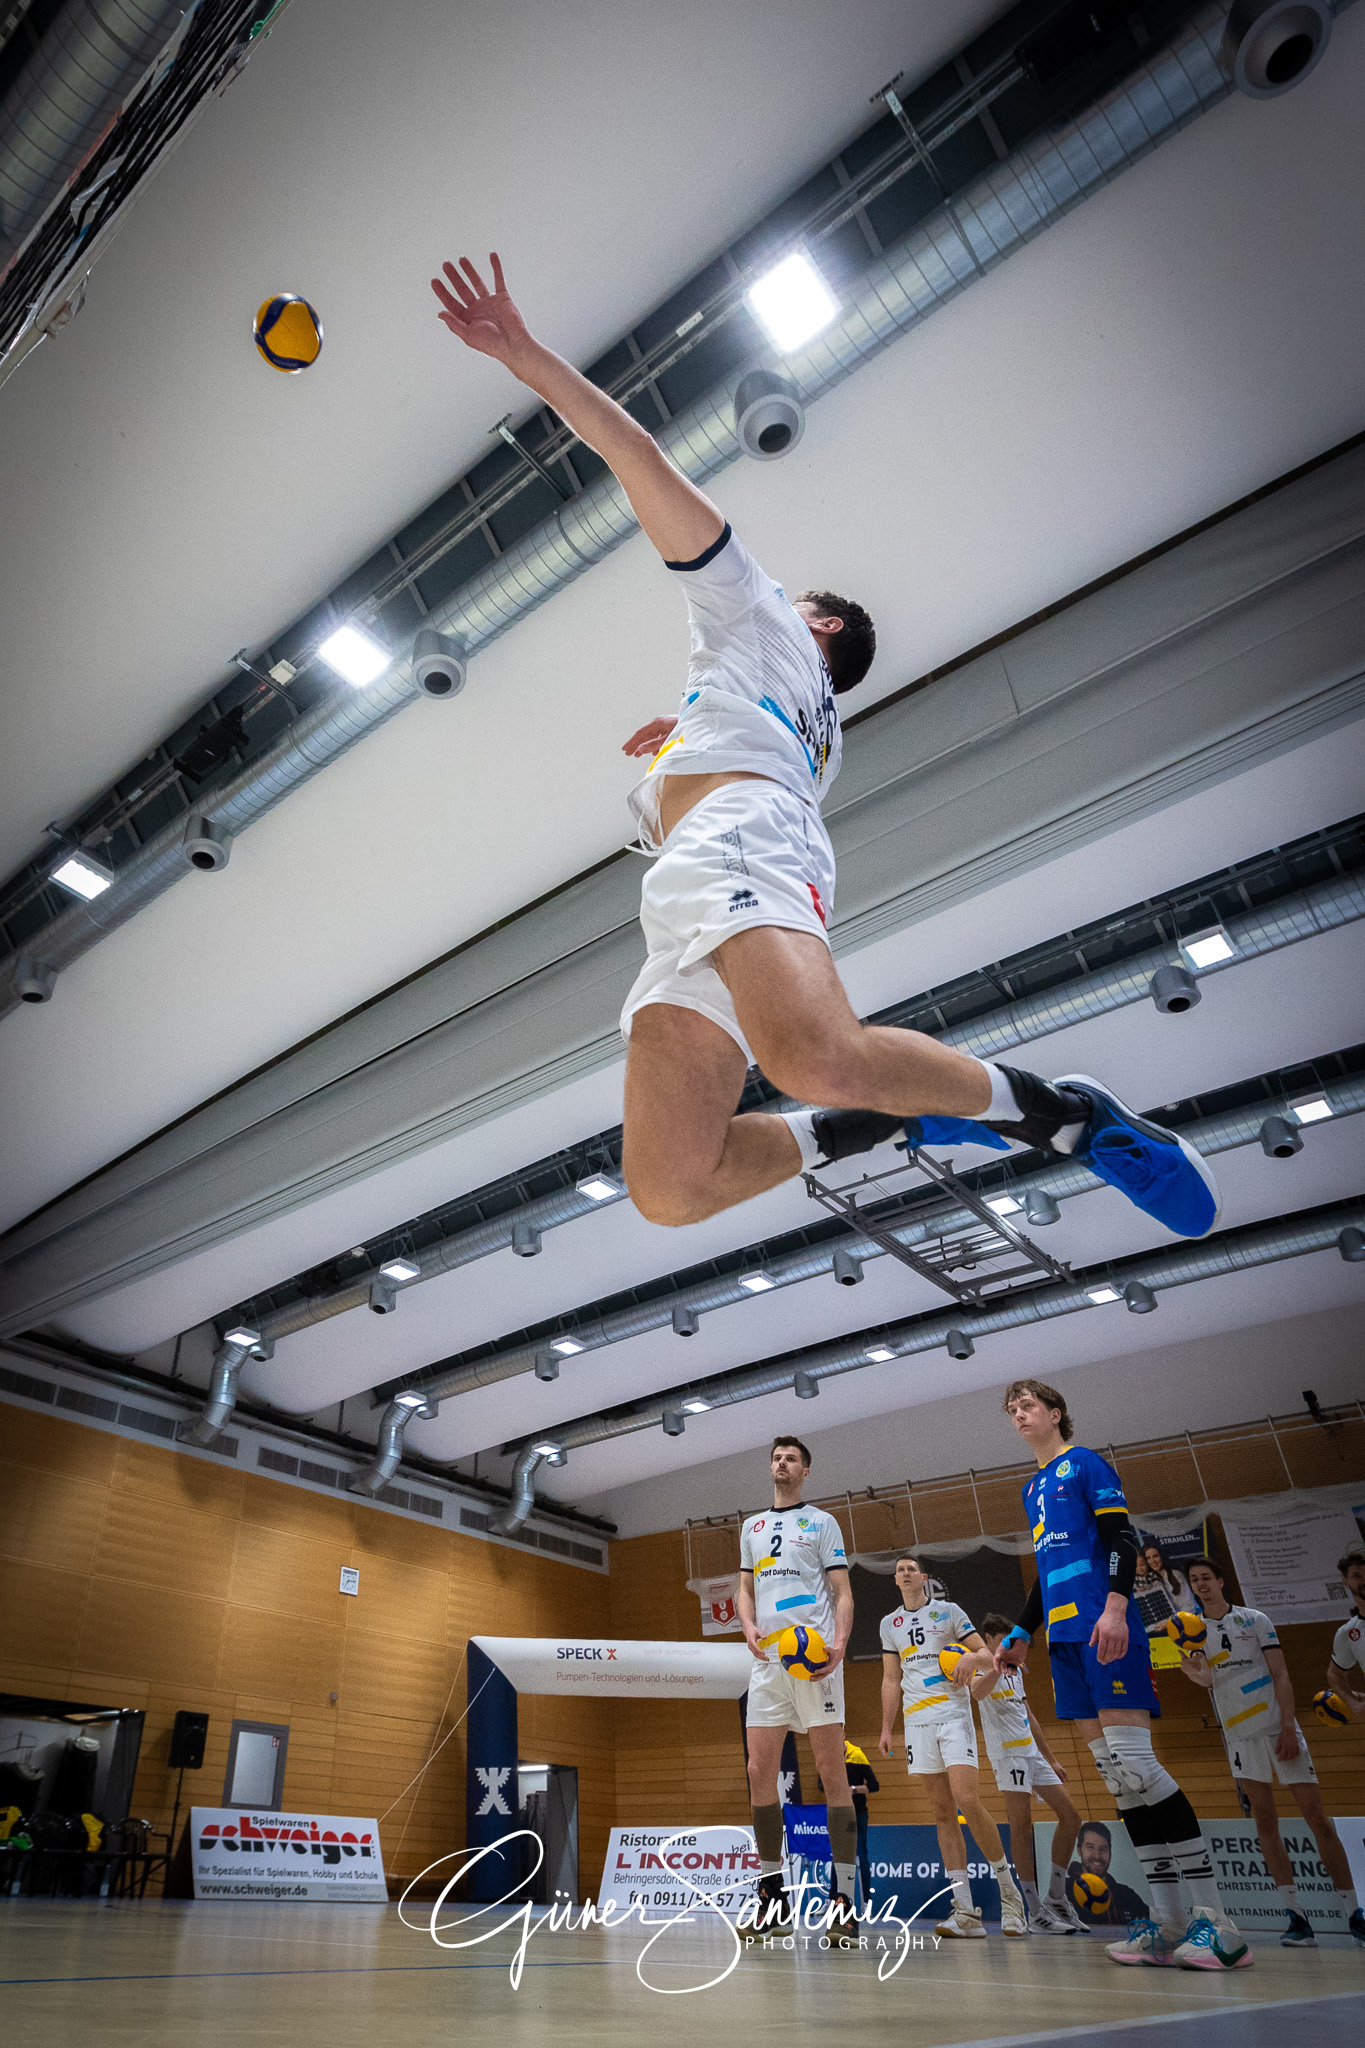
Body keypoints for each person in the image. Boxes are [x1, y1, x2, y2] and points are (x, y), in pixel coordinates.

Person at [429, 251, 1224, 1244]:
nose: (773, 589)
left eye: (790, 598)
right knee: (673, 1184)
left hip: (736, 844)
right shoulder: (813, 723)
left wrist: (529, 357)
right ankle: (886, 1118)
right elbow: (758, 737)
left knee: (815, 1056)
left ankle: (1061, 1115)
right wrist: (687, 733)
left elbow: (641, 460)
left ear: (821, 629)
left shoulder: (758, 611)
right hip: (700, 872)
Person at [993, 1377, 1250, 1970]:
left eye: (1027, 1405)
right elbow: (1049, 1571)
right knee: (1118, 1779)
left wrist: (1114, 1606)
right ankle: (1167, 1924)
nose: (1018, 1415)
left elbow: (1119, 1537)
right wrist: (1021, 1632)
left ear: (1056, 1413)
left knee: (1138, 1763)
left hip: (1105, 1627)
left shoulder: (1084, 1464)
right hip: (1062, 1640)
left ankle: (1219, 1925)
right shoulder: (1030, 1489)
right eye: (1011, 1410)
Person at [1179, 1557, 1363, 1947]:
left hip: (1279, 1730)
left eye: (1207, 1578)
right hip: (1241, 1738)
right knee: (1265, 1824)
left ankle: (1354, 1913)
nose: (1202, 1585)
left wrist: (1288, 1728)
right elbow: (1216, 1681)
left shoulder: (1255, 1619)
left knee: (1318, 1819)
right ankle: (1296, 1916)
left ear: (1221, 1580)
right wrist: (1199, 1677)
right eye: (1195, 1581)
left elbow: (1280, 1673)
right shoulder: (1193, 1633)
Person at [735, 1436, 857, 1941]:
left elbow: (842, 1590)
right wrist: (746, 1626)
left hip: (816, 1662)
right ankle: (772, 1898)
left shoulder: (822, 1522)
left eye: (790, 1458)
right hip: (769, 1661)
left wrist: (841, 1644)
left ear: (805, 1471)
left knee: (832, 1775)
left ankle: (844, 1901)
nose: (781, 1463)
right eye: (776, 1458)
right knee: (758, 1770)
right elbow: (744, 1589)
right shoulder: (751, 1527)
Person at [878, 1555, 1027, 1938]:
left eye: (912, 1569)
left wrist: (968, 1661)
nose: (906, 1573)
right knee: (942, 1811)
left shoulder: (948, 1612)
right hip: (917, 1723)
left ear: (924, 1578)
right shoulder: (889, 1624)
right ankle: (965, 1911)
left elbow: (983, 1654)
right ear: (895, 1581)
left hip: (953, 1715)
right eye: (900, 1570)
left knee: (967, 1799)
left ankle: (1011, 1896)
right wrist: (885, 1727)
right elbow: (891, 1679)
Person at [973, 1612, 1086, 1933]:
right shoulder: (979, 1661)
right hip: (1008, 1754)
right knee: (1022, 1826)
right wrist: (997, 1667)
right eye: (1007, 1640)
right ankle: (1034, 1910)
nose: (1012, 1646)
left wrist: (1051, 1759)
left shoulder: (1016, 1669)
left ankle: (1055, 1896)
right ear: (992, 1639)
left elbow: (1029, 1713)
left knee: (1071, 1817)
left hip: (1032, 1753)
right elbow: (977, 1693)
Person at [816, 1739, 881, 1911]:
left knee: (861, 1855)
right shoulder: (828, 1754)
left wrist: (852, 1790)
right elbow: (820, 1784)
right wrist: (836, 1789)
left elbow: (874, 1786)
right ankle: (832, 1899)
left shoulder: (857, 1754)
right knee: (837, 1856)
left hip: (857, 1814)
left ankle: (866, 1901)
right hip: (837, 1813)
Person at [1068, 1819, 1152, 1926]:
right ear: (1079, 1850)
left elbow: (1151, 1926)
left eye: (1103, 1849)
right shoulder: (1065, 1892)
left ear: (1110, 1852)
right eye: (1090, 1847)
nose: (1097, 1856)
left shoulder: (1126, 1894)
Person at [1326, 1548, 1365, 1726]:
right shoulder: (1348, 1633)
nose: (1364, 1580)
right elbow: (1335, 1674)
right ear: (1346, 1582)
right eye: (1357, 1576)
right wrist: (1353, 1703)